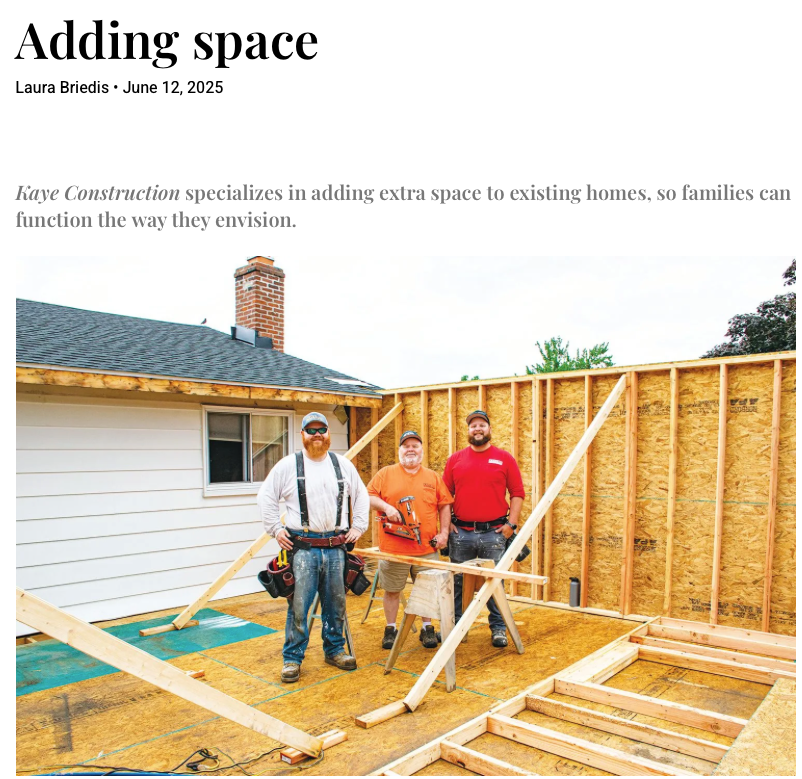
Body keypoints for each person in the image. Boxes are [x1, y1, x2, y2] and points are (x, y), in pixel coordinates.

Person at [257, 412, 369, 684]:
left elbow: (362, 495)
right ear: (302, 435)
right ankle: (292, 659)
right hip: (303, 549)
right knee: (299, 606)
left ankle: (335, 650)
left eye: (322, 430)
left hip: (336, 547)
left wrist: (358, 526)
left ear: (328, 433)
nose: (317, 435)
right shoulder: (288, 466)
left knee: (336, 604)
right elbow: (266, 496)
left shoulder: (342, 465)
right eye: (311, 430)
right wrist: (276, 529)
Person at [443, 410, 525, 647]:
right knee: (458, 583)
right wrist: (446, 526)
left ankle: (498, 628)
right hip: (461, 533)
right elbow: (445, 497)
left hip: (494, 533)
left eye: (481, 425)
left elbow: (517, 493)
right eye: (473, 426)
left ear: (489, 429)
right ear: (468, 431)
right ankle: (457, 628)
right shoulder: (455, 460)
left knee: (493, 584)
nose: (477, 429)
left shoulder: (504, 458)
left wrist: (511, 525)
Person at [367, 430, 453, 649]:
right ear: (400, 450)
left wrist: (444, 533)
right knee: (392, 590)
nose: (411, 449)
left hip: (426, 548)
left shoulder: (432, 477)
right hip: (393, 549)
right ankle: (390, 628)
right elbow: (368, 496)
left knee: (427, 591)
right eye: (406, 446)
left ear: (421, 450)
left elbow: (444, 505)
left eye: (415, 446)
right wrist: (387, 507)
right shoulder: (386, 474)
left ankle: (427, 628)